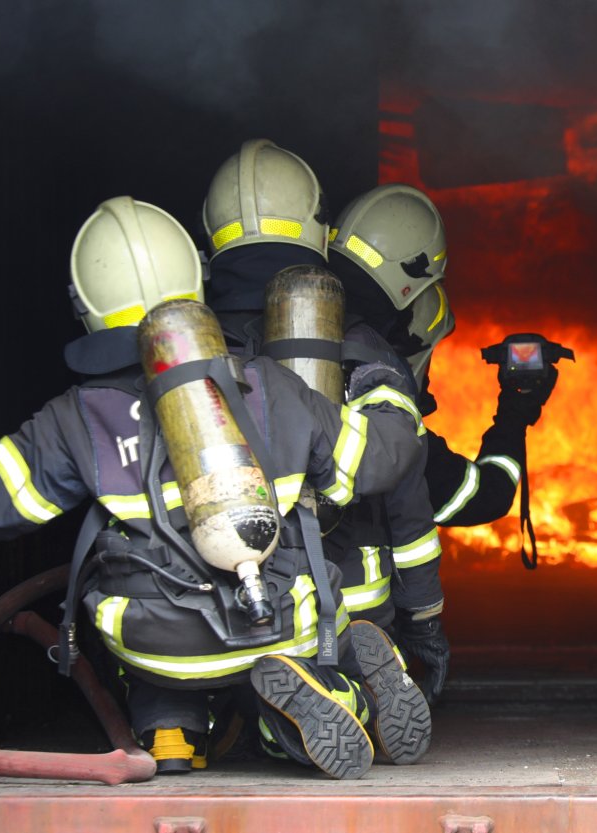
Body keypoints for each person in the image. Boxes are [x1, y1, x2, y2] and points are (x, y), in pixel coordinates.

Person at [0, 196, 428, 779]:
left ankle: (170, 731)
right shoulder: (272, 389)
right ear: (196, 284)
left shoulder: (75, 417)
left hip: (149, 644)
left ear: (85, 309)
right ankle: (335, 699)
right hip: (276, 625)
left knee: (147, 620)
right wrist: (387, 392)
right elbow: (380, 462)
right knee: (300, 627)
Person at [201, 140, 444, 727]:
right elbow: (404, 479)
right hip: (341, 595)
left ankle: (210, 718)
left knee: (192, 692)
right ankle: (337, 699)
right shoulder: (359, 345)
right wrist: (424, 619)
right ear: (318, 229)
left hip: (206, 601)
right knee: (337, 658)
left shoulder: (184, 339)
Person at [327, 184, 559, 700]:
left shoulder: (263, 341)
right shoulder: (379, 387)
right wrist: (514, 414)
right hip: (345, 615)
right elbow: (484, 496)